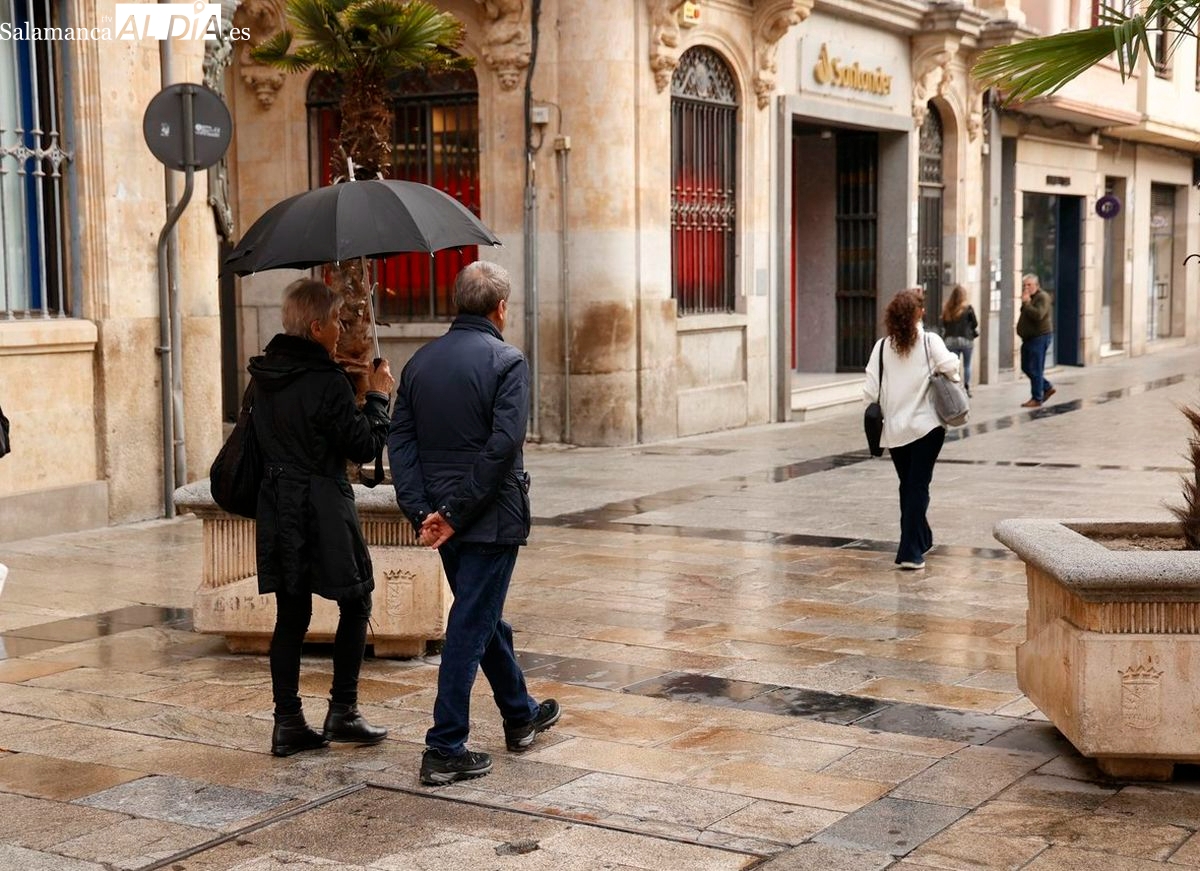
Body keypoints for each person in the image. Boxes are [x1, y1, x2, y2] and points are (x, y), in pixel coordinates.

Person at [388, 261, 561, 786]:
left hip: (446, 519)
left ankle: (519, 713)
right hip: (487, 520)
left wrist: (425, 511)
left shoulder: (418, 362)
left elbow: (401, 443)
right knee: (470, 625)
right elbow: (503, 446)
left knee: (480, 615)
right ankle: (445, 747)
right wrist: (454, 513)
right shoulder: (508, 361)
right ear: (500, 308)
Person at [249, 278, 396, 757]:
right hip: (322, 503)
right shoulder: (324, 381)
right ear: (315, 327)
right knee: (356, 600)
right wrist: (376, 396)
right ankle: (344, 711)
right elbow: (364, 445)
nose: (341, 328)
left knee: (292, 613)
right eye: (335, 320)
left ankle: (287, 720)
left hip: (278, 502)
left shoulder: (264, 375)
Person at [863, 288, 961, 570]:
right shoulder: (930, 342)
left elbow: (869, 391)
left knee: (909, 485)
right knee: (917, 486)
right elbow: (951, 367)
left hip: (895, 430)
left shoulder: (882, 347)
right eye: (922, 308)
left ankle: (920, 538)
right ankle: (910, 552)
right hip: (927, 427)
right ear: (918, 313)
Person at [1017, 273, 1055, 408]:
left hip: (1039, 337)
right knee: (1026, 367)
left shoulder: (1042, 297)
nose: (1026, 288)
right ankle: (1046, 386)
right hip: (1028, 338)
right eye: (1024, 285)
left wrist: (1026, 303)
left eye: (1029, 285)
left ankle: (1037, 397)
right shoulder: (1031, 298)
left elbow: (1038, 315)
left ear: (1037, 285)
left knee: (1035, 367)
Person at [940, 284, 978, 396]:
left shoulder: (947, 308)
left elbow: (944, 324)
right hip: (966, 340)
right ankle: (966, 387)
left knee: (953, 365)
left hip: (950, 340)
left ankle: (955, 387)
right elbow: (975, 324)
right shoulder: (968, 309)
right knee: (967, 365)